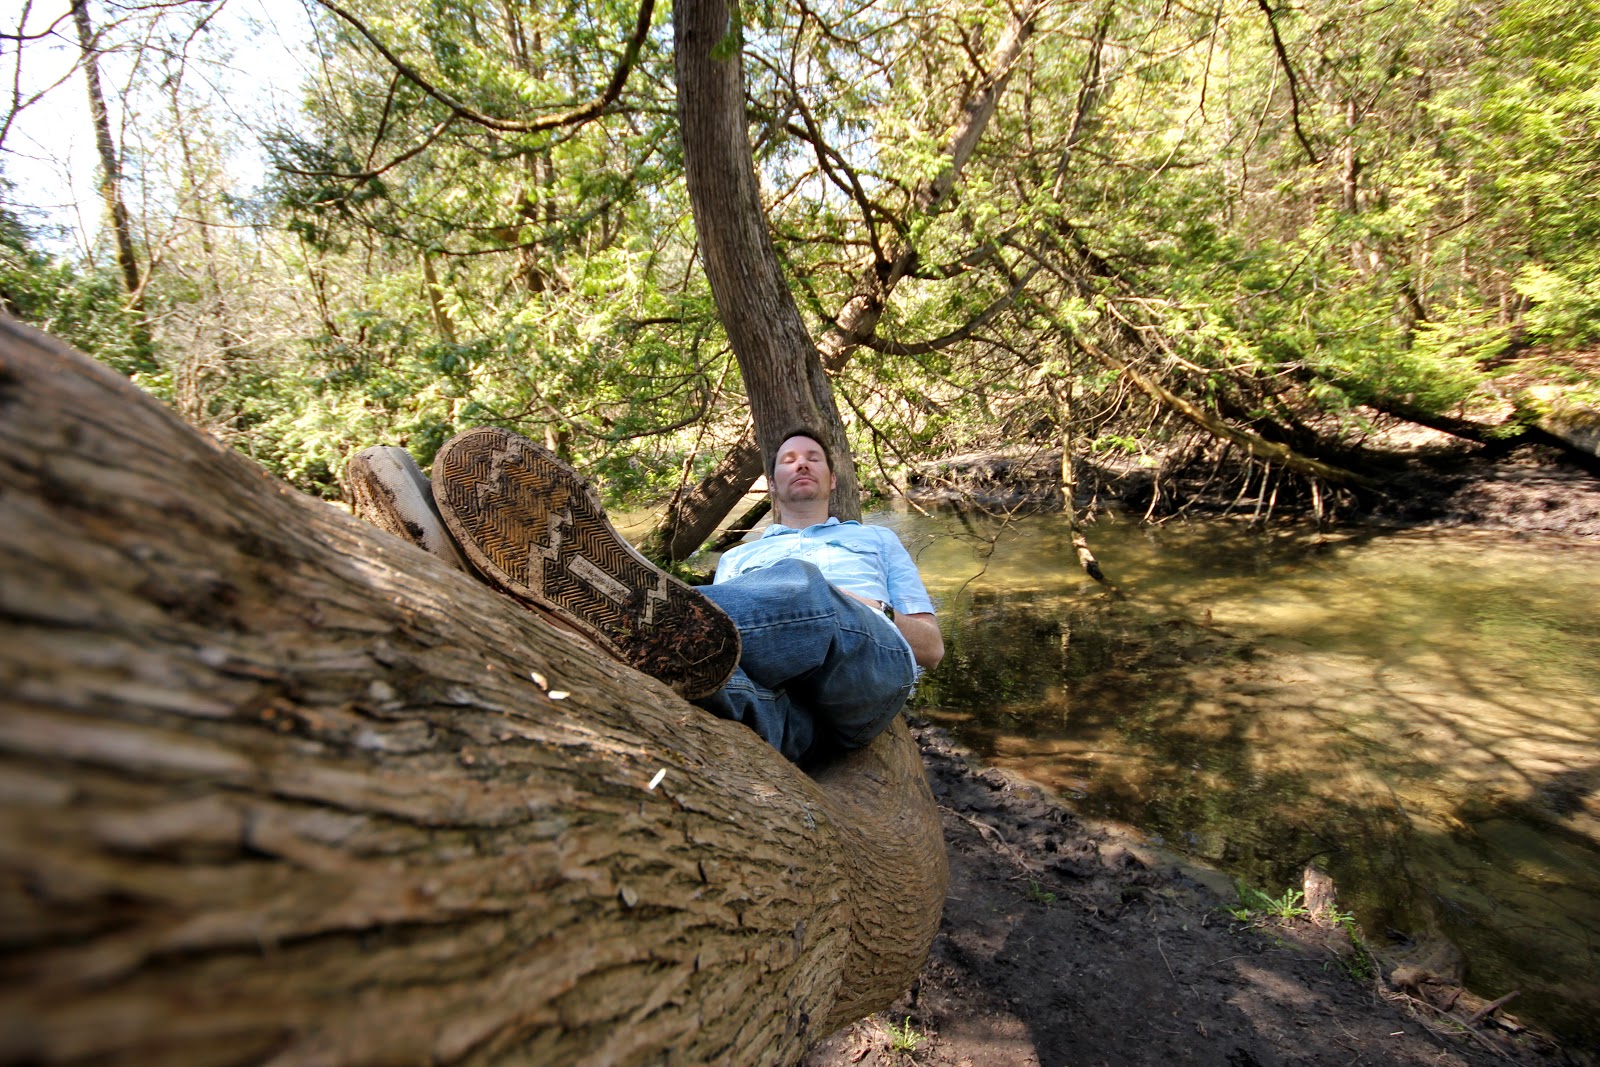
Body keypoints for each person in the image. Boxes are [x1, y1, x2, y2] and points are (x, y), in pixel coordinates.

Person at [350, 426, 942, 765]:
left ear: (832, 481)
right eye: (787, 459)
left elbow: (932, 649)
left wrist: (864, 609)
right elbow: (714, 646)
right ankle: (553, 618)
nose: (801, 464)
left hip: (864, 674)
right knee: (709, 672)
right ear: (774, 481)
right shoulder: (737, 556)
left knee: (798, 589)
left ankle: (556, 609)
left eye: (813, 457)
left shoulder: (874, 539)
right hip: (792, 720)